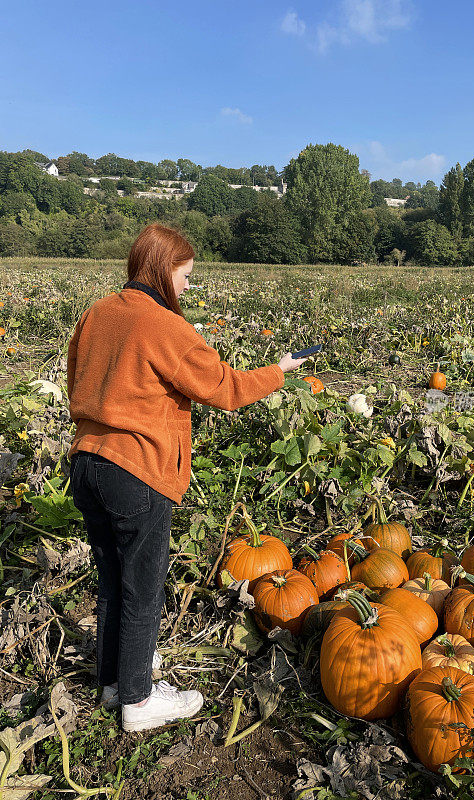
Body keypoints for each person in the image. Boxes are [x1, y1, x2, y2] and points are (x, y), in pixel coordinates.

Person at [67, 223, 308, 732]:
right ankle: (138, 701)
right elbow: (225, 388)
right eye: (186, 276)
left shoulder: (97, 313)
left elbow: (76, 375)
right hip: (136, 466)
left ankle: (113, 681)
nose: (188, 288)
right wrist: (279, 370)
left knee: (112, 578)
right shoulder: (164, 325)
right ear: (163, 269)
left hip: (87, 461)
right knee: (143, 584)